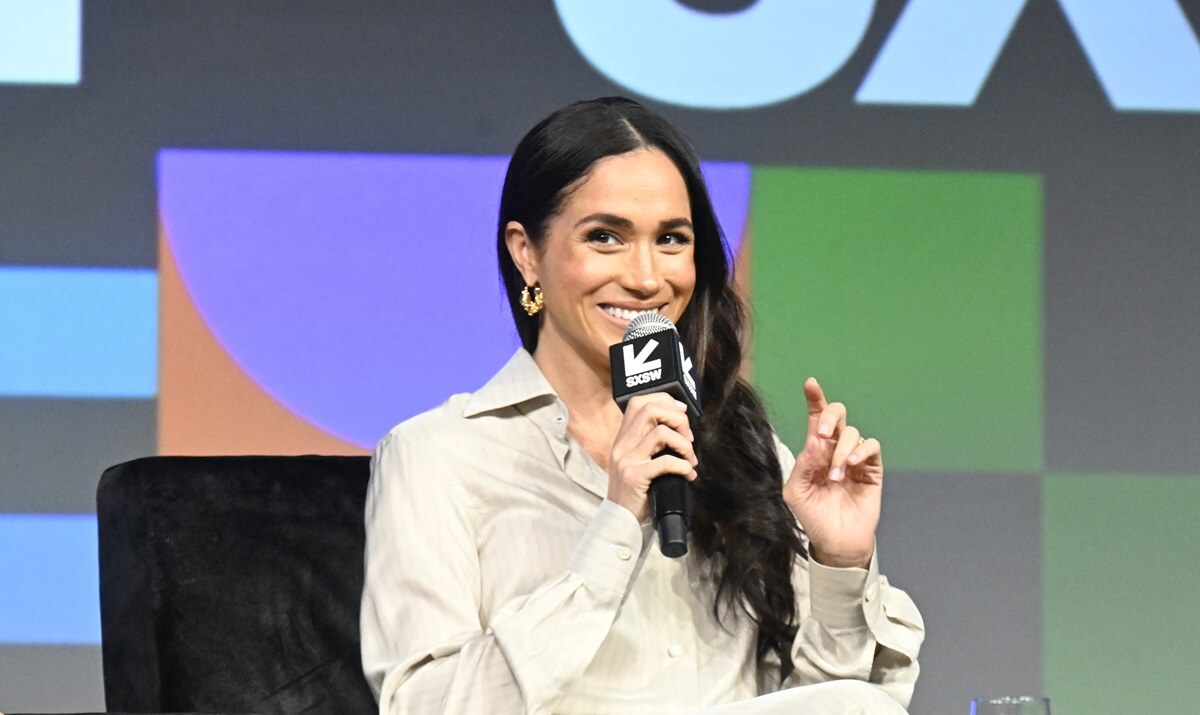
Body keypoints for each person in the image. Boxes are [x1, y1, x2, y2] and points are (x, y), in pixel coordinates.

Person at [361, 97, 924, 714]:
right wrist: (615, 525)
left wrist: (840, 562)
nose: (646, 276)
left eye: (672, 240)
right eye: (605, 237)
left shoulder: (740, 447)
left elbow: (823, 701)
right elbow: (424, 705)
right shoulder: (438, 456)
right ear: (527, 252)